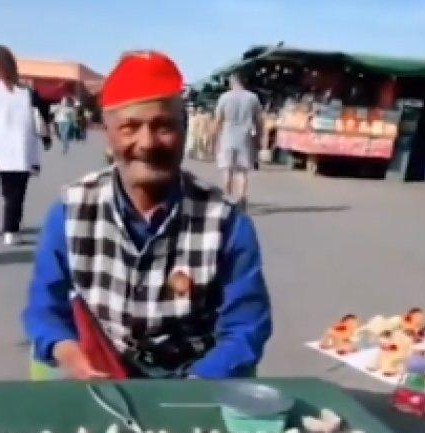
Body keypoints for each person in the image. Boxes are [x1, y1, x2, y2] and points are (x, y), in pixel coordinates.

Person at [23, 50, 272, 380]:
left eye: (163, 126)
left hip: (194, 372)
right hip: (102, 366)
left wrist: (196, 386)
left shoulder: (226, 223)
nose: (147, 142)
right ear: (109, 137)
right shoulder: (71, 212)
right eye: (129, 127)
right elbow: (45, 308)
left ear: (184, 132)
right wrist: (67, 350)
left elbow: (246, 326)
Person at [0, 45, 51, 246]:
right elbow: (41, 114)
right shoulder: (26, 87)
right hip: (23, 143)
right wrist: (46, 137)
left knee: (8, 188)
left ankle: (10, 226)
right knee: (19, 190)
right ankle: (11, 229)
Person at [211, 73, 264, 206]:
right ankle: (241, 200)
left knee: (227, 170)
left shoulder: (224, 97)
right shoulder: (253, 98)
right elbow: (258, 122)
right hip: (245, 138)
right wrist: (258, 139)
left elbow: (218, 120)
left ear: (232, 82)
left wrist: (213, 139)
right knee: (242, 171)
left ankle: (227, 201)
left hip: (227, 137)